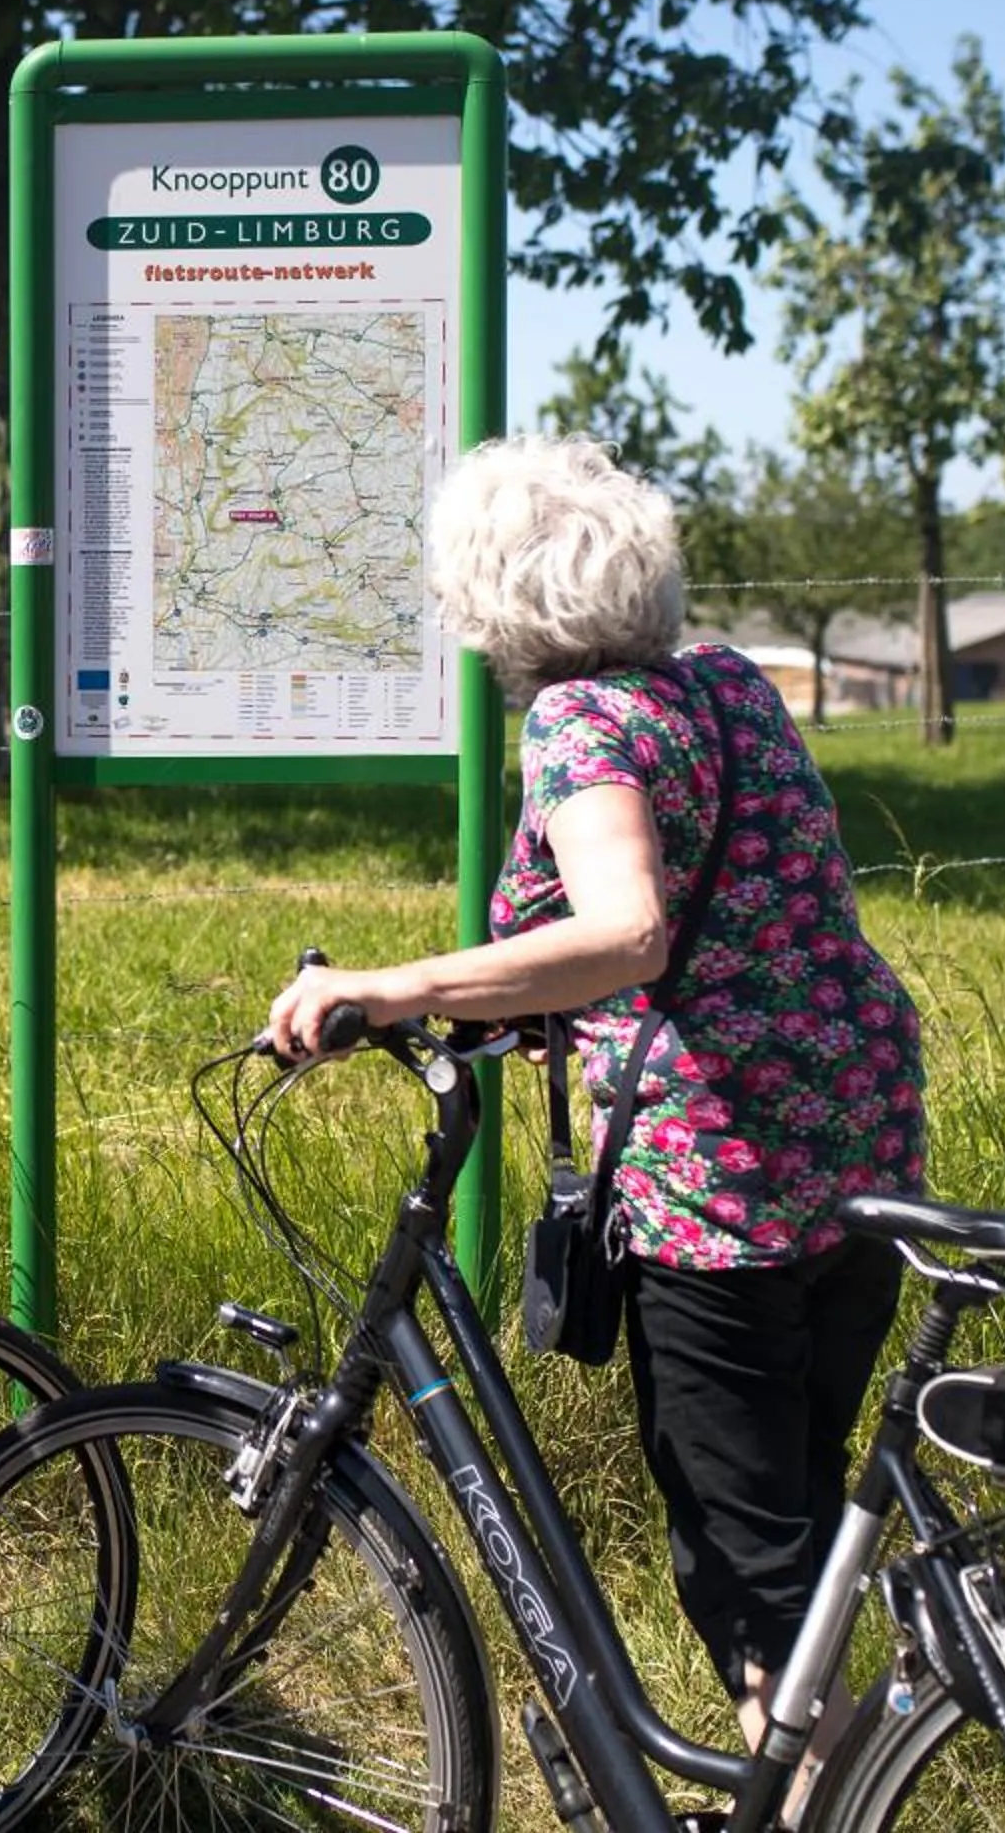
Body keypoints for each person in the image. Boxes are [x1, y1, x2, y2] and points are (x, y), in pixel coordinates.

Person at [270, 432, 924, 1771]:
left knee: (753, 1581)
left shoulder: (581, 723)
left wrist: (392, 987)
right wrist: (524, 1001)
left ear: (489, 596)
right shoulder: (728, 685)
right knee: (798, 1521)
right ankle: (833, 1776)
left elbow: (629, 931)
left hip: (724, 1181)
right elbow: (735, 908)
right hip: (857, 1136)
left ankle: (815, 1793)